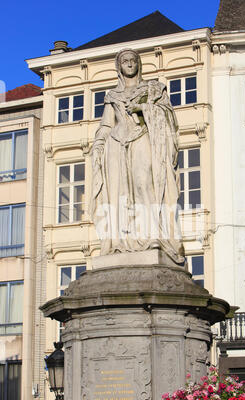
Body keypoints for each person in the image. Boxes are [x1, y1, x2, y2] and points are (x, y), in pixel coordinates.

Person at [91, 48, 185, 264]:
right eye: (125, 61)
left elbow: (168, 116)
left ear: (139, 64)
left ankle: (153, 236)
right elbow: (106, 125)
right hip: (116, 145)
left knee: (145, 185)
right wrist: (98, 144)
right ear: (119, 67)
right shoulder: (112, 96)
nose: (130, 63)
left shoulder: (153, 89)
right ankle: (119, 241)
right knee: (118, 193)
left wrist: (143, 107)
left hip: (143, 138)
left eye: (133, 60)